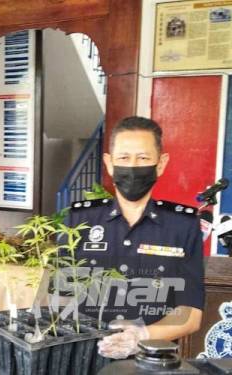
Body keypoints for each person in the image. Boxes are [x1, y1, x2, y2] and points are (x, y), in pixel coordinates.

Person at [66, 116, 204, 359]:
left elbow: (191, 313)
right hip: (83, 356)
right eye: (123, 158)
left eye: (143, 158)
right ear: (109, 163)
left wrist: (142, 335)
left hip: (152, 359)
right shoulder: (80, 220)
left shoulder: (182, 225)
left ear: (161, 164)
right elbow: (61, 297)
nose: (132, 166)